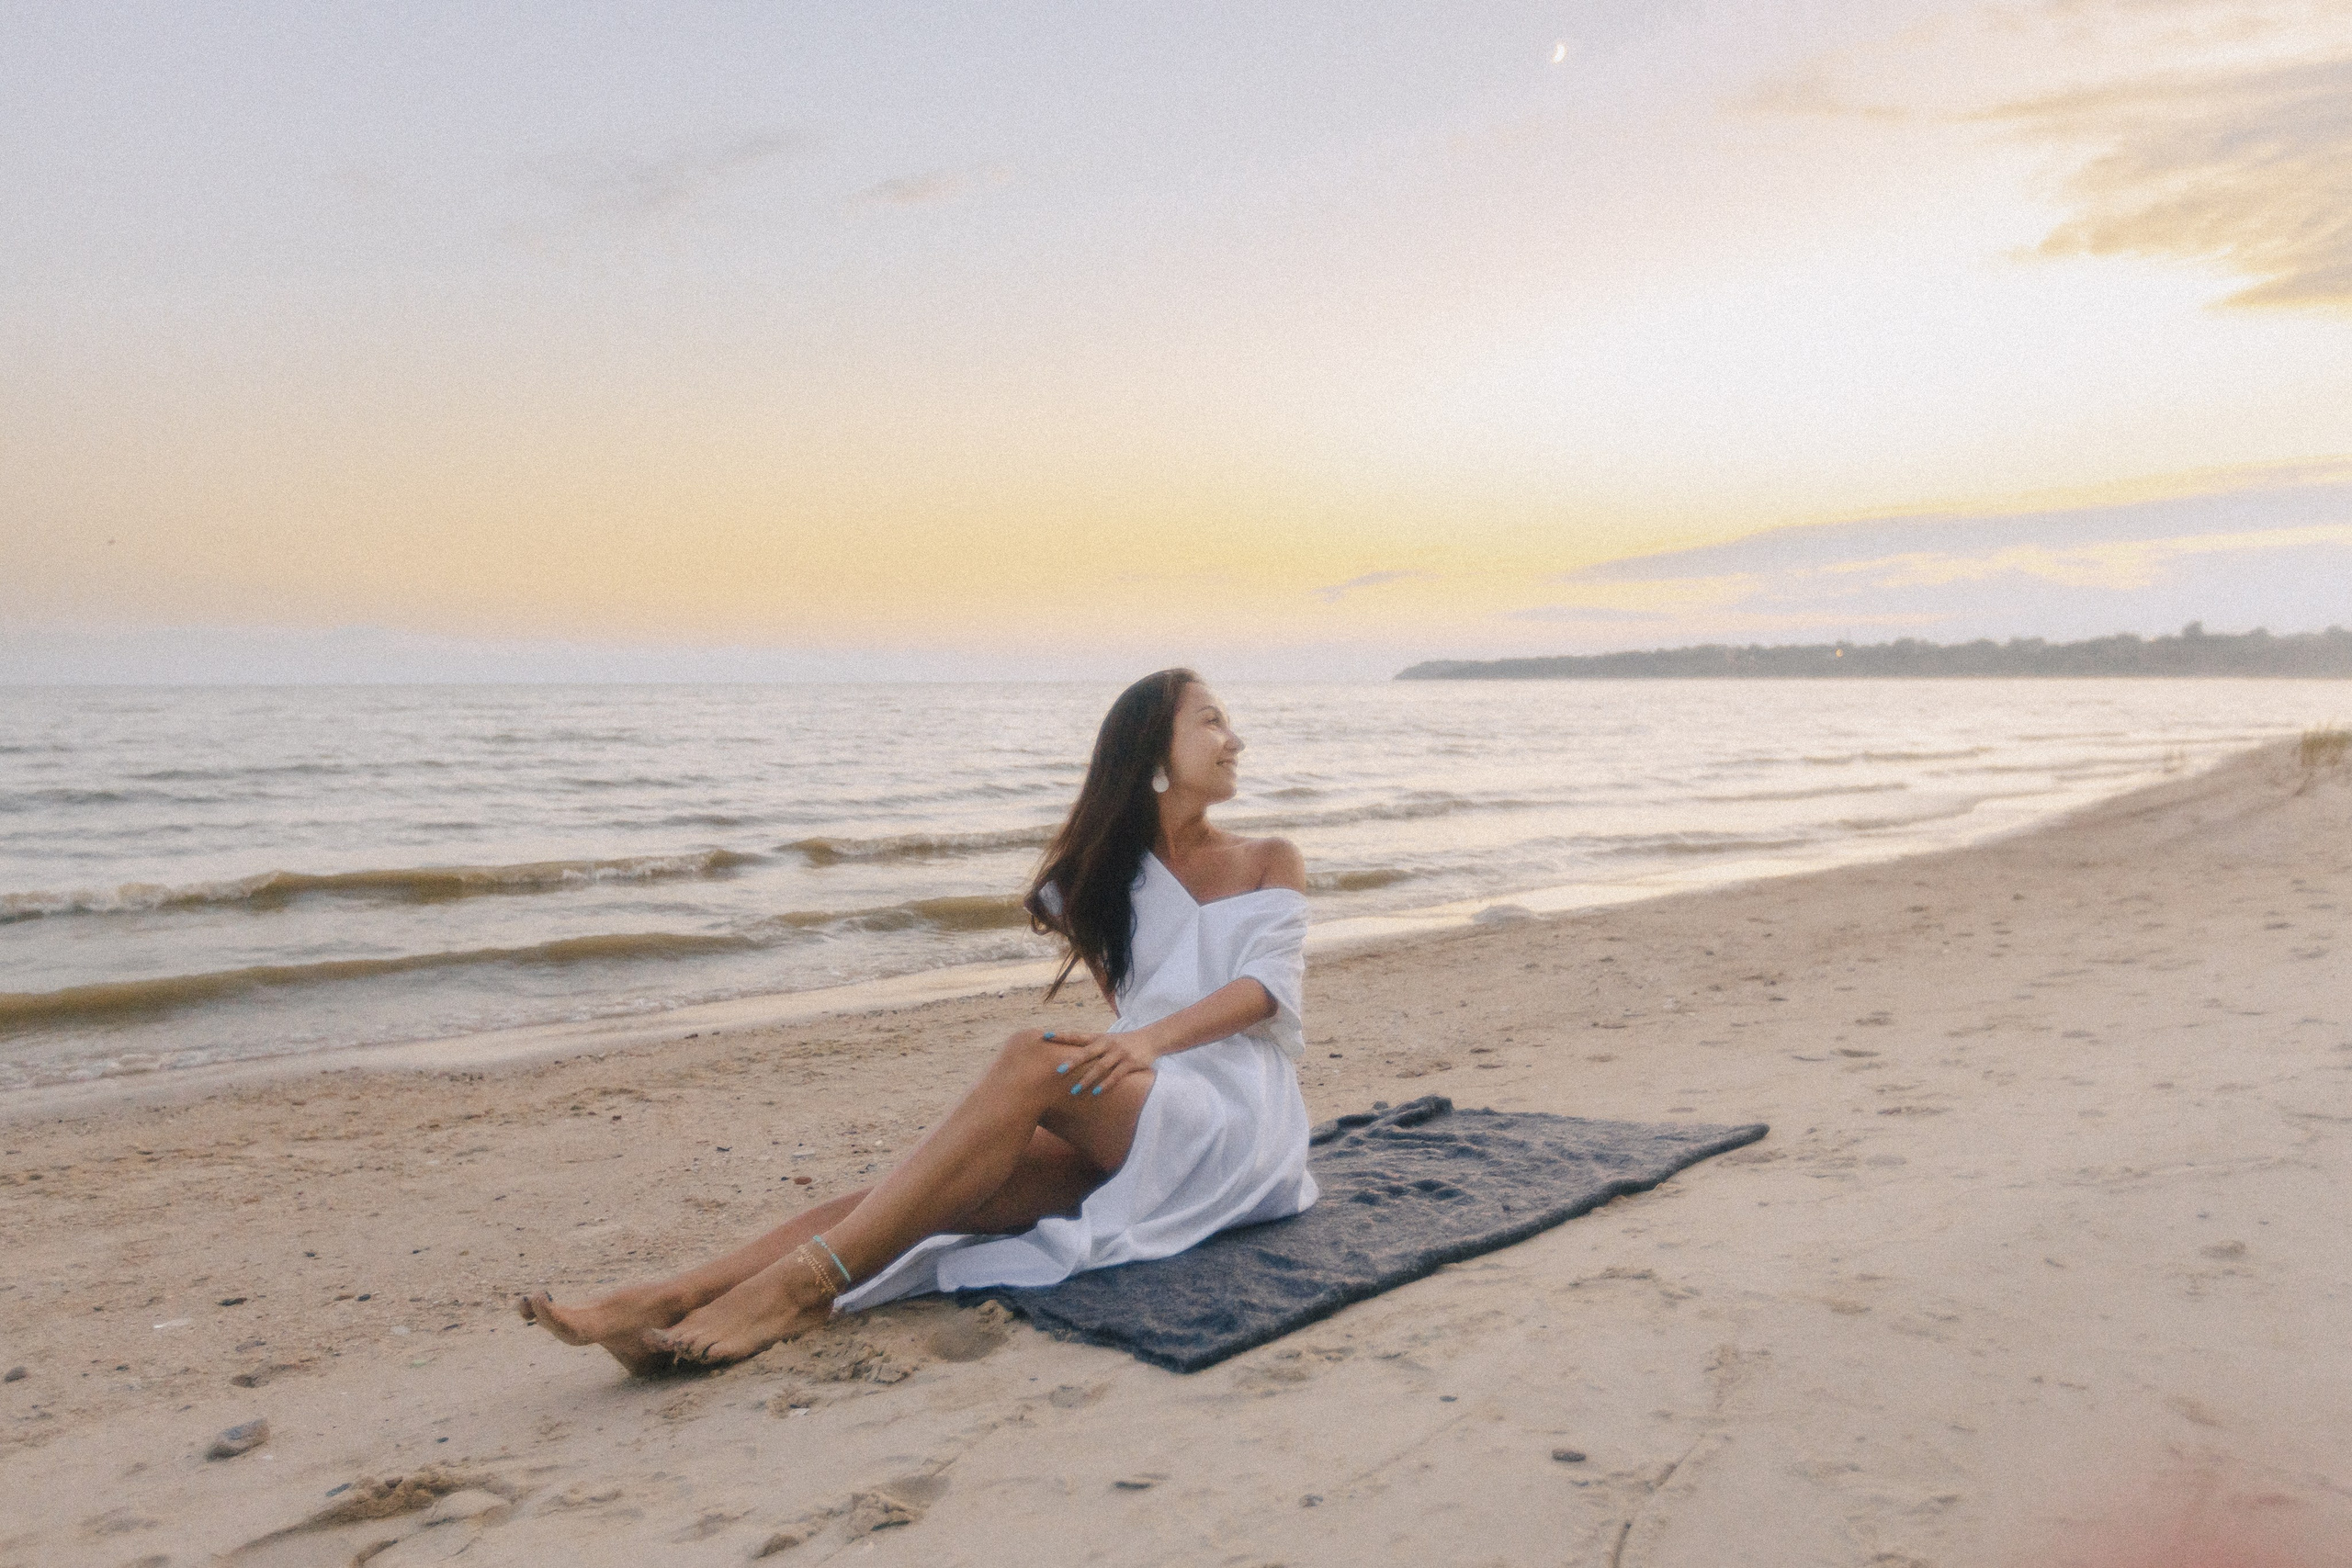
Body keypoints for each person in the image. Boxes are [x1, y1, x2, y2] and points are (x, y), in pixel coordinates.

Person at [517, 669, 1317, 1371]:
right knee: (925, 1190)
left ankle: (800, 1289)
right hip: (1152, 1100)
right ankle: (670, 1294)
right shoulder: (1097, 883)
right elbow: (1130, 992)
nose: (1234, 738)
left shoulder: (1267, 856)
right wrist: (1134, 1040)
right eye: (1211, 720)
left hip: (1238, 1112)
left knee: (1030, 1055)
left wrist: (1143, 1041)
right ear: (1150, 753)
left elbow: (1265, 990)